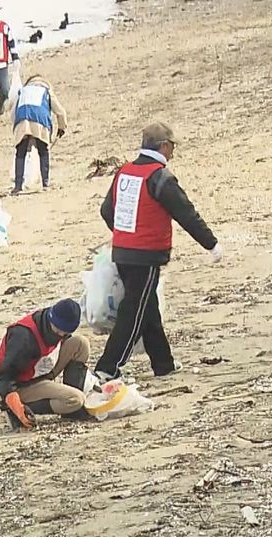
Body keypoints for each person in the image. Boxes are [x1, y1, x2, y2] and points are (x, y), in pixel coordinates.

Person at [95, 123, 222, 382]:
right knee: (134, 312)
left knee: (147, 306)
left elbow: (107, 211)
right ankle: (108, 366)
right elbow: (186, 213)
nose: (173, 152)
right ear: (164, 146)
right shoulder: (160, 176)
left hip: (122, 251)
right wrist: (211, 244)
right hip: (145, 254)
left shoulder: (124, 172)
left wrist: (122, 233)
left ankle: (163, 363)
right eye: (172, 146)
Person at [0, 299, 92, 429]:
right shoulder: (23, 337)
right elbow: (1, 377)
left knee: (80, 343)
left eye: (65, 333)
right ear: (52, 319)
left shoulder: (56, 321)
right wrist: (12, 400)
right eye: (57, 331)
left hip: (43, 370)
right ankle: (22, 409)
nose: (61, 335)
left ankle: (72, 409)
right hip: (21, 384)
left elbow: (63, 337)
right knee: (76, 400)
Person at [12, 75, 68, 194]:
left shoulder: (22, 91)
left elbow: (14, 113)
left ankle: (17, 186)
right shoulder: (46, 90)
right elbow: (60, 112)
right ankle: (45, 183)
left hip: (22, 120)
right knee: (43, 150)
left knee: (20, 153)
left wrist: (16, 131)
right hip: (40, 121)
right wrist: (62, 127)